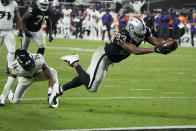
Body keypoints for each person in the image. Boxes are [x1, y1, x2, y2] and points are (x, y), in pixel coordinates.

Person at [49, 17, 174, 106]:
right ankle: (74, 62)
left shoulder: (142, 31)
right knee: (91, 86)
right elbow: (134, 50)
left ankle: (60, 89)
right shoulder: (122, 35)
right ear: (131, 30)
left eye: (142, 34)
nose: (141, 37)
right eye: (138, 34)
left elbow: (153, 40)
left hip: (111, 60)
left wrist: (163, 44)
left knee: (88, 78)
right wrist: (154, 50)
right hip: (103, 56)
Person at [0, 0, 23, 73]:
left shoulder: (13, 4)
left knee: (12, 50)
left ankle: (10, 67)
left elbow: (18, 18)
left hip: (9, 31)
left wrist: (20, 31)